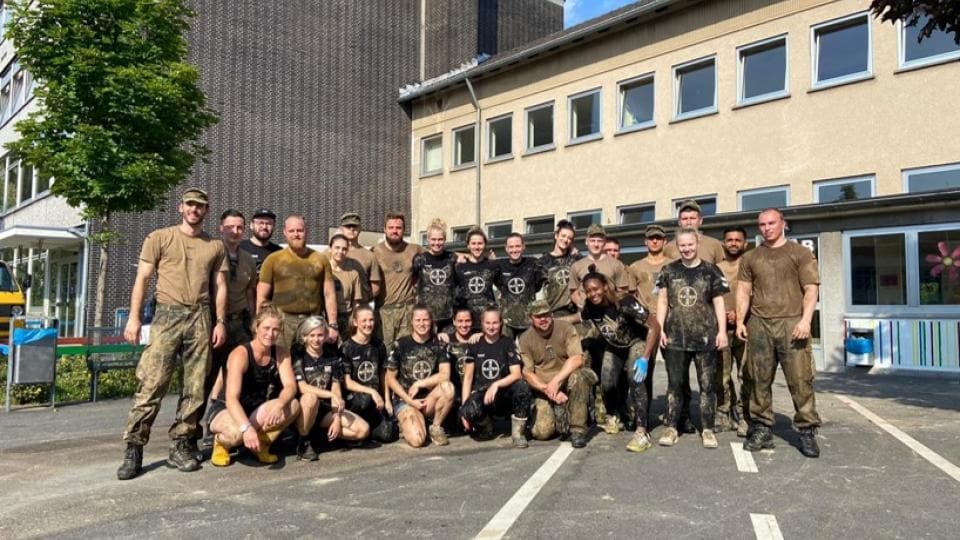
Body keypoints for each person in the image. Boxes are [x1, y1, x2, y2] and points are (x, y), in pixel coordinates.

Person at [117, 188, 228, 480]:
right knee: (152, 383)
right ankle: (134, 447)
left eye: (200, 206)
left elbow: (220, 286)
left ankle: (181, 445)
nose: (195, 209)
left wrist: (220, 322)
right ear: (181, 207)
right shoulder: (160, 237)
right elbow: (142, 278)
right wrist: (133, 318)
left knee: (195, 387)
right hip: (167, 314)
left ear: (206, 211)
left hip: (201, 316)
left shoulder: (214, 246)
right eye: (190, 204)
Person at [737, 208, 822, 458]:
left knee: (800, 379)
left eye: (771, 223)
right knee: (758, 379)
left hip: (792, 324)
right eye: (762, 224)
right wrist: (741, 321)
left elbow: (810, 289)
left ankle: (806, 430)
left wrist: (806, 320)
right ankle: (762, 428)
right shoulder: (751, 257)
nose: (767, 228)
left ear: (783, 223)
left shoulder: (800, 253)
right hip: (760, 324)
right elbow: (743, 290)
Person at [656, 228, 728, 449]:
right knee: (675, 385)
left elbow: (719, 302)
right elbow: (662, 301)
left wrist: (722, 331)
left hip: (705, 337)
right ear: (677, 246)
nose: (686, 249)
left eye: (690, 244)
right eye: (682, 245)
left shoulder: (711, 270)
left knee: (707, 386)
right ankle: (671, 428)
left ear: (697, 243)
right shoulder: (668, 270)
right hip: (676, 338)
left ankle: (707, 429)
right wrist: (660, 329)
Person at [208, 304, 301, 467]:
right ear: (256, 327)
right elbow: (231, 399)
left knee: (292, 405)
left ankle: (260, 445)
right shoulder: (240, 354)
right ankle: (221, 443)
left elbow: (290, 387)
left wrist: (280, 404)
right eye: (266, 328)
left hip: (254, 408)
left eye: (275, 330)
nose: (270, 334)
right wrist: (246, 428)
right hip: (227, 408)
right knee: (236, 434)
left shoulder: (281, 353)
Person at [579, 268, 661, 452]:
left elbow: (654, 326)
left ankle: (642, 432)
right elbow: (580, 321)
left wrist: (646, 358)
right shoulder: (589, 307)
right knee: (607, 382)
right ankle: (616, 414)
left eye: (596, 289)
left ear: (605, 286)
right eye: (589, 291)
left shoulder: (626, 302)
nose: (593, 294)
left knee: (636, 379)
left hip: (637, 342)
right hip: (615, 346)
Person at [201, 210, 258, 441]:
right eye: (230, 227)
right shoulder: (212, 252)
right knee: (207, 377)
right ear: (221, 227)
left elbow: (250, 292)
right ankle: (200, 427)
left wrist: (254, 320)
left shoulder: (247, 259)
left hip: (240, 324)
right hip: (213, 323)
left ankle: (236, 423)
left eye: (239, 228)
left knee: (238, 377)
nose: (235, 232)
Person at [519, 299, 597, 448]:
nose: (543, 319)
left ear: (552, 314)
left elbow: (576, 358)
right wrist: (548, 389)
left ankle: (577, 430)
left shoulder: (566, 328)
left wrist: (556, 381)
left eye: (546, 314)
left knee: (579, 376)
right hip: (544, 388)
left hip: (567, 380)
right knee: (542, 432)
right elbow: (528, 373)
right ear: (531, 318)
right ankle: (560, 412)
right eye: (538, 316)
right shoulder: (525, 339)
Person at [293, 316, 370, 460]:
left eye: (320, 335)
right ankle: (303, 441)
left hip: (325, 409)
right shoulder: (298, 356)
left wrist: (336, 417)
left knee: (362, 430)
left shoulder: (333, 357)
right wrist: (330, 395)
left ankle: (322, 436)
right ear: (305, 337)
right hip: (304, 409)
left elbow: (336, 390)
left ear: (326, 335)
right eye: (312, 335)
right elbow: (302, 387)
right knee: (310, 398)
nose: (316, 339)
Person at [257, 215, 338, 348]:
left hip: (312, 321)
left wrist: (333, 324)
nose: (296, 234)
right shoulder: (273, 260)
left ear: (306, 231)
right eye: (292, 231)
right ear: (285, 232)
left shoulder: (320, 260)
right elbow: (261, 296)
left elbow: (329, 294)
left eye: (300, 230)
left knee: (311, 362)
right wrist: (261, 325)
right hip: (283, 322)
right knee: (283, 360)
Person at [385, 305, 455, 447]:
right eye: (418, 320)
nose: (422, 324)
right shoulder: (400, 344)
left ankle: (435, 427)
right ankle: (408, 423)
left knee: (448, 388)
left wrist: (419, 383)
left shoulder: (439, 344)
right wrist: (410, 401)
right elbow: (390, 378)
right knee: (417, 441)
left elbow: (445, 375)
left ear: (431, 321)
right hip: (405, 400)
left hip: (428, 400)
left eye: (425, 320)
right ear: (411, 321)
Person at [460, 308, 531, 447]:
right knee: (469, 410)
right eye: (487, 323)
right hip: (482, 394)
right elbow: (468, 378)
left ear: (500, 323)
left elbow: (516, 374)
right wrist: (464, 409)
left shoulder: (508, 343)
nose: (491, 327)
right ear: (481, 324)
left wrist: (496, 384)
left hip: (503, 394)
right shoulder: (474, 344)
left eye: (495, 323)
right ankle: (487, 426)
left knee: (522, 387)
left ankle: (518, 432)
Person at [341, 306, 399, 443]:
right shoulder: (346, 347)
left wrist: (387, 401)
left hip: (376, 401)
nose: (368, 324)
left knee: (388, 435)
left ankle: (368, 431)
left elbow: (383, 374)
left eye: (371, 320)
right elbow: (347, 383)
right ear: (355, 322)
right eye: (364, 320)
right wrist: (371, 391)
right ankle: (354, 431)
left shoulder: (379, 345)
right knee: (364, 400)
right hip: (355, 400)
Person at [716, 226, 749, 436]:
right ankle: (723, 413)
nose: (734, 243)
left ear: (744, 243)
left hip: (746, 329)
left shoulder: (750, 265)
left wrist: (740, 315)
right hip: (721, 329)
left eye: (738, 240)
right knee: (721, 375)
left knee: (746, 374)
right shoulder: (714, 268)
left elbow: (757, 295)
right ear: (724, 243)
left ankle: (745, 416)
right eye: (730, 240)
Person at [373, 212, 423, 346]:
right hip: (384, 311)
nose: (394, 231)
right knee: (385, 351)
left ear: (404, 230)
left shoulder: (414, 249)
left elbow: (436, 253)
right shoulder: (374, 252)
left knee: (406, 350)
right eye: (391, 227)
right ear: (384, 229)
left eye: (398, 228)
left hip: (408, 310)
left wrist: (461, 255)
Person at [569, 224, 630, 308]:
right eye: (592, 241)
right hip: (587, 315)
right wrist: (582, 304)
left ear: (604, 242)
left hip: (609, 314)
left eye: (599, 241)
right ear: (586, 241)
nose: (596, 244)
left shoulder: (617, 264)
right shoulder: (576, 266)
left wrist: (614, 304)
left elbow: (623, 291)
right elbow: (573, 292)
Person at [411, 219, 457, 329]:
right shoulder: (420, 260)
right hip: (426, 318)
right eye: (433, 239)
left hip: (448, 317)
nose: (437, 243)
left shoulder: (452, 258)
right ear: (428, 239)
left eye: (440, 239)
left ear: (445, 239)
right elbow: (412, 282)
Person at [497, 233, 545, 338]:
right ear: (506, 248)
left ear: (523, 246)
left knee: (527, 352)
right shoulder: (499, 266)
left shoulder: (533, 264)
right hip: (507, 322)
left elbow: (539, 285)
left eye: (518, 246)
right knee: (507, 352)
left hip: (528, 321)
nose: (514, 250)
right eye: (511, 247)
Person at [454, 228, 501, 331]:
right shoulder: (460, 267)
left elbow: (503, 285)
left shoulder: (492, 265)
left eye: (480, 243)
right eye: (473, 243)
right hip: (466, 323)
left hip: (488, 322)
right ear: (468, 245)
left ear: (485, 245)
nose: (477, 247)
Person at [536, 220, 581, 320]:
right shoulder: (542, 262)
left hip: (573, 313)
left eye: (570, 238)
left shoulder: (575, 259)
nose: (566, 240)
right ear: (556, 235)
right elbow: (538, 292)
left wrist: (576, 252)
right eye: (563, 236)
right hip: (552, 313)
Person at [338, 212, 382, 304]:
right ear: (341, 229)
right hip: (338, 307)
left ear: (360, 229)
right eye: (348, 226)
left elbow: (375, 287)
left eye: (355, 226)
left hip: (361, 308)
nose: (352, 229)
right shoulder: (331, 253)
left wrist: (364, 301)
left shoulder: (369, 255)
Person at [328, 234, 364, 333]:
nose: (340, 251)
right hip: (327, 316)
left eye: (344, 249)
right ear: (330, 248)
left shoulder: (353, 273)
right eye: (337, 248)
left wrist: (354, 319)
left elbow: (356, 302)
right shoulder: (324, 270)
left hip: (346, 317)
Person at [239, 208, 282, 273]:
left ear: (274, 227)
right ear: (251, 225)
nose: (264, 227)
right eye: (260, 223)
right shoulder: (239, 248)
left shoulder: (279, 252)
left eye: (269, 223)